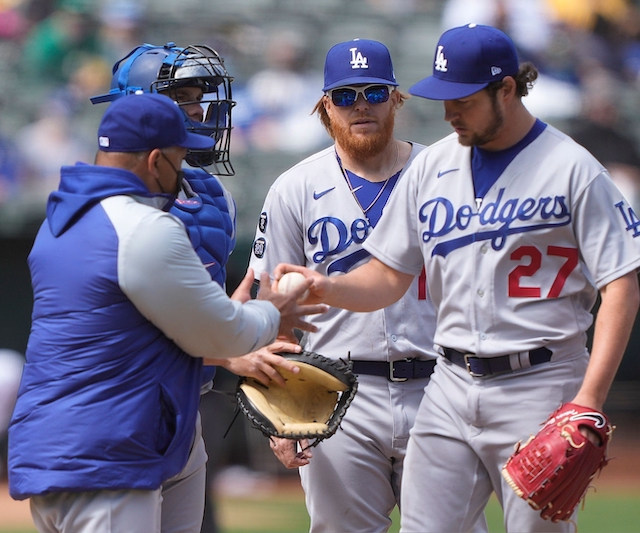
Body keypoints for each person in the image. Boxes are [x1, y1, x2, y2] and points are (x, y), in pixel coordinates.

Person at [274, 24, 640, 533]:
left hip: (538, 380)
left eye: (462, 101)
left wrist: (590, 399)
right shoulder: (435, 166)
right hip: (448, 383)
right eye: (443, 99)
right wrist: (325, 287)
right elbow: (387, 275)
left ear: (505, 90)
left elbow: (621, 283)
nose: (448, 113)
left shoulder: (574, 169)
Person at [7, 92, 326, 533]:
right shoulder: (143, 227)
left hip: (60, 441)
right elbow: (224, 336)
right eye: (179, 156)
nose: (184, 169)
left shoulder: (59, 222)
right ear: (155, 159)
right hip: (110, 450)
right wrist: (273, 312)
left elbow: (142, 329)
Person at [249, 38, 485, 533]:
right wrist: (284, 407)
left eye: (375, 93)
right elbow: (272, 308)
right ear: (324, 106)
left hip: (440, 387)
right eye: (346, 95)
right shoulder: (295, 187)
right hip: (336, 392)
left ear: (396, 99)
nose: (361, 106)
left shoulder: (443, 173)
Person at [91, 42, 307, 532]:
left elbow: (202, 310)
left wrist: (246, 317)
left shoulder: (212, 195)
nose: (200, 108)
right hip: (124, 405)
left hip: (188, 406)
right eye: (184, 96)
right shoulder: (110, 206)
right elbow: (132, 330)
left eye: (200, 95)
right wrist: (234, 349)